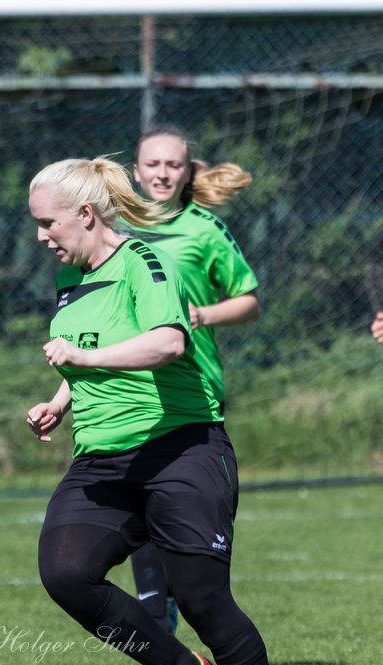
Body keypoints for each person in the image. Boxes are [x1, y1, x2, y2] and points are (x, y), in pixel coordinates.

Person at [25, 155, 297, 665]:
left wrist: (83, 361)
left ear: (85, 215)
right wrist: (60, 401)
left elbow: (168, 343)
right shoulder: (71, 282)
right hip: (104, 459)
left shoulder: (145, 261)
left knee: (200, 597)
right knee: (66, 573)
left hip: (182, 448)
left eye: (48, 224)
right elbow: (95, 348)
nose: (42, 237)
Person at [122, 126, 262, 637]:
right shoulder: (114, 226)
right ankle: (156, 606)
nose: (162, 173)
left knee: (183, 505)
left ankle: (185, 598)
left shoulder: (205, 228)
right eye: (152, 164)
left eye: (173, 165)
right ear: (135, 171)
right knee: (134, 490)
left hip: (192, 385)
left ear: (188, 172)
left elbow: (249, 300)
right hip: (129, 384)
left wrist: (203, 314)